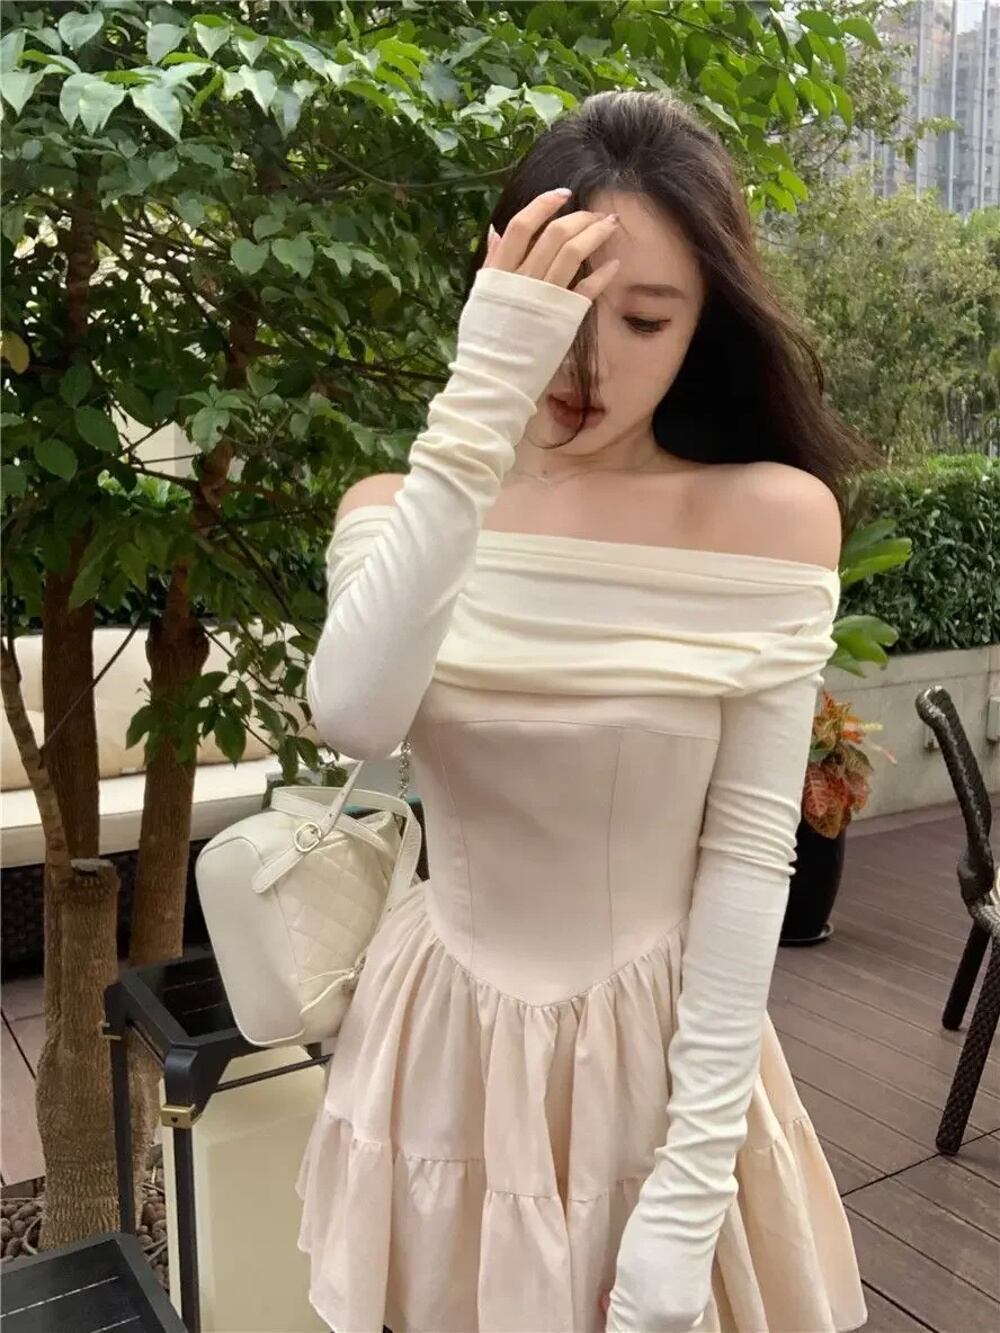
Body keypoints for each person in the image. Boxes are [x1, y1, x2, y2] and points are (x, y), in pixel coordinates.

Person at [296, 89, 875, 1333]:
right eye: (561, 305)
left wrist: (691, 1186)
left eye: (645, 318)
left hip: (658, 1058)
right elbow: (353, 714)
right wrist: (478, 404)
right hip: (438, 1042)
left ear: (703, 324)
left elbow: (747, 850)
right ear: (499, 291)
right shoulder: (400, 509)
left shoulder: (769, 518)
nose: (588, 361)